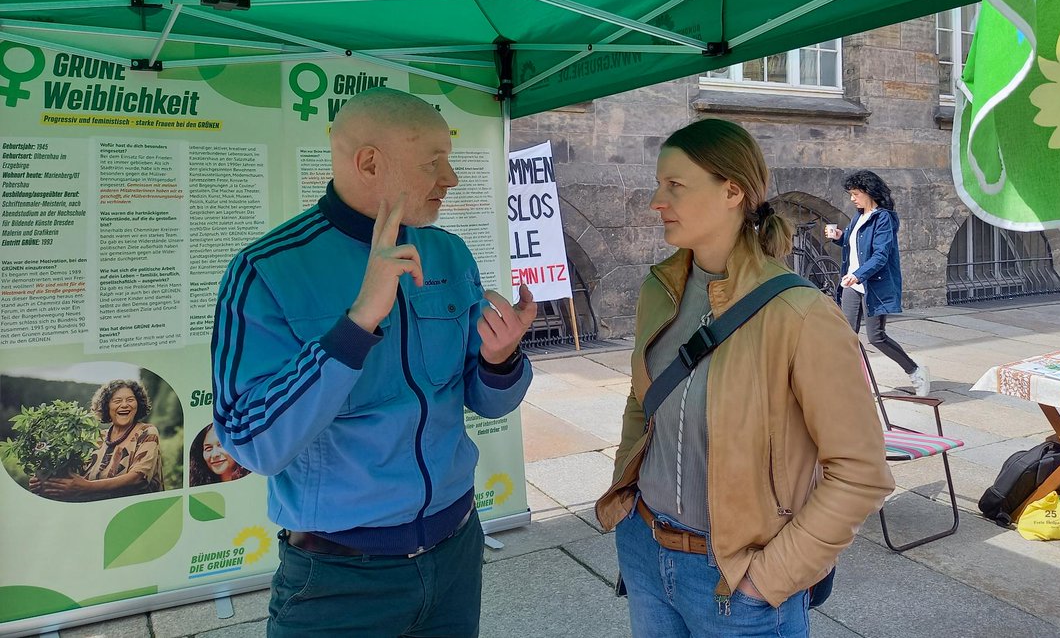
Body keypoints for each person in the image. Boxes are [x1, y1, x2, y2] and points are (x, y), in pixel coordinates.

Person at [211, 88, 536, 638]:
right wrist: (357, 323)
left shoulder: (448, 253)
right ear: (368, 162)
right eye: (434, 162)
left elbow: (482, 397)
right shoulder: (266, 271)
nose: (450, 178)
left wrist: (500, 360)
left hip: (455, 550)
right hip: (337, 580)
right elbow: (250, 441)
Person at [595, 119, 893, 638]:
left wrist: (772, 576)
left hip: (738, 582)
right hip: (643, 550)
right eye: (658, 184)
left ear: (732, 191)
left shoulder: (801, 315)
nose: (656, 201)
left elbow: (860, 471)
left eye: (675, 185)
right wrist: (627, 506)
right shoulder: (659, 289)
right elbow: (643, 403)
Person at [829, 169, 931, 396]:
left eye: (855, 194)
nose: (852, 199)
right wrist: (840, 237)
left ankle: (915, 371)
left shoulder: (883, 217)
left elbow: (880, 255)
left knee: (876, 337)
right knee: (846, 336)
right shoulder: (859, 215)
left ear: (869, 192)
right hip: (853, 286)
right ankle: (847, 384)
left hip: (872, 285)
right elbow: (856, 242)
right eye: (851, 194)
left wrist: (858, 274)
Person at [30, 379, 164, 501]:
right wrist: (46, 481)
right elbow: (76, 476)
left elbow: (138, 478)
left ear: (138, 404)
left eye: (130, 400)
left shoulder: (147, 432)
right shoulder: (96, 438)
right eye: (117, 401)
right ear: (107, 407)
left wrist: (88, 487)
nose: (124, 405)